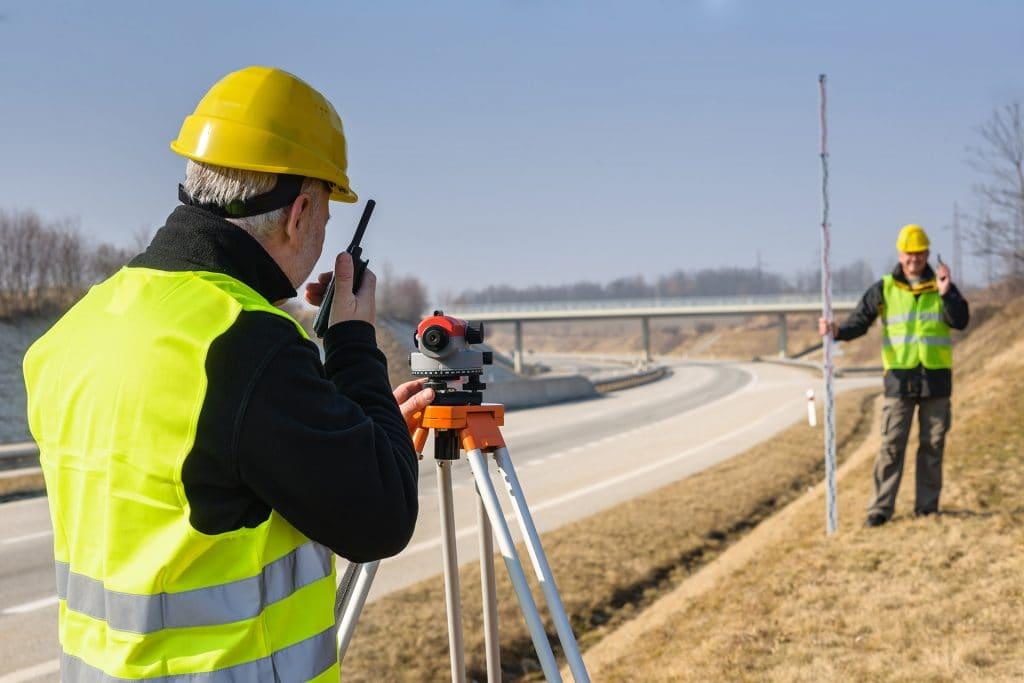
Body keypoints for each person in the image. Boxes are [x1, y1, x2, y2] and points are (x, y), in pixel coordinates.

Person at [23, 66, 433, 681]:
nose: (322, 238)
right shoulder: (248, 345)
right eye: (325, 217)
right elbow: (380, 516)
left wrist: (348, 436)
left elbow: (199, 490)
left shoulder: (74, 332)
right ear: (299, 212)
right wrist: (351, 341)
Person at [819, 223, 969, 527]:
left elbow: (960, 321)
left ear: (927, 254)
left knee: (933, 445)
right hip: (899, 381)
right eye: (908, 254)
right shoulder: (884, 288)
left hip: (936, 380)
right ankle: (880, 509)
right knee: (891, 446)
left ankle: (927, 507)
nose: (914, 259)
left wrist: (947, 293)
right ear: (900, 255)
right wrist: (836, 332)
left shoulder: (942, 286)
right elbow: (860, 322)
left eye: (919, 253)